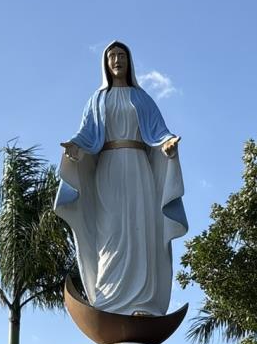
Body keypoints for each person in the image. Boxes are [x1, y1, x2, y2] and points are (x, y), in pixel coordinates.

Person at [55, 40, 187, 316]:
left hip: (138, 169)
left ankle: (142, 303)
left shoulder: (142, 98)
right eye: (112, 56)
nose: (117, 60)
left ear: (129, 61)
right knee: (110, 233)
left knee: (140, 231)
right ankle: (108, 300)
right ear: (106, 63)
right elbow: (85, 134)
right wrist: (74, 147)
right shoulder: (97, 100)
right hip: (109, 170)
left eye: (121, 55)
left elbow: (159, 131)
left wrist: (167, 144)